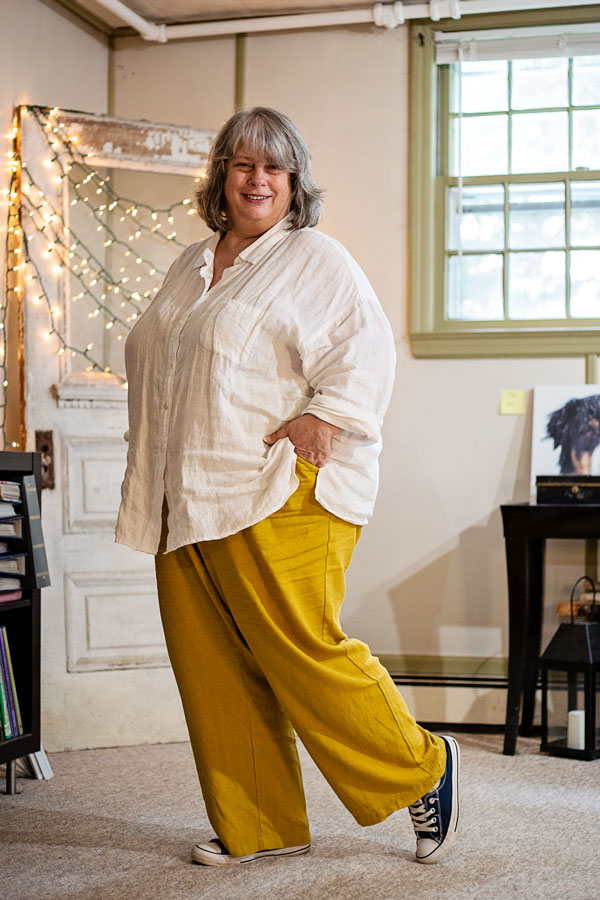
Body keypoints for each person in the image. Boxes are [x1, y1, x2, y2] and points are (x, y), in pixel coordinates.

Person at [115, 107, 460, 867]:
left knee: (304, 649)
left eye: (274, 166)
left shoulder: (315, 259)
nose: (258, 179)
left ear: (294, 180)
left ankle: (423, 767)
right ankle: (261, 824)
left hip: (278, 485)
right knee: (212, 666)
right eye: (243, 164)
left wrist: (325, 416)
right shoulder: (190, 264)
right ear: (221, 177)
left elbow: (365, 350)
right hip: (187, 492)